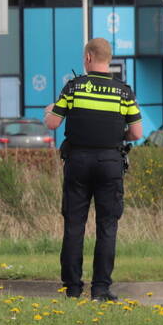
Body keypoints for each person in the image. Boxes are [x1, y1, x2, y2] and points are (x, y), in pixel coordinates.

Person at [44, 38, 142, 302]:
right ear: (108, 59)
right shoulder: (124, 91)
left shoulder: (74, 87)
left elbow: (53, 123)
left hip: (78, 162)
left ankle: (73, 289)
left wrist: (50, 110)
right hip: (110, 164)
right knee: (107, 226)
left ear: (88, 57)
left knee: (74, 225)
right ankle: (100, 290)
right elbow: (136, 132)